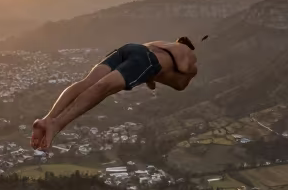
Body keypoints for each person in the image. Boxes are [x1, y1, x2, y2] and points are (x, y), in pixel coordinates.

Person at [30, 37, 199, 150]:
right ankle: (56, 124)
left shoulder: (162, 43)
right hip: (145, 61)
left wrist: (151, 77)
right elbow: (182, 78)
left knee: (87, 82)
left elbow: (151, 68)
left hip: (131, 49)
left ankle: (47, 118)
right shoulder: (187, 53)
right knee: (101, 88)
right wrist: (189, 69)